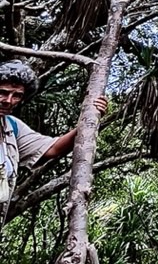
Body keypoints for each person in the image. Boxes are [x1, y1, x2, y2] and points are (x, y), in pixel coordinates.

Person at [0, 59, 109, 218]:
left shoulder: (12, 127)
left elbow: (53, 148)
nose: (8, 100)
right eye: (3, 92)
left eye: (16, 95)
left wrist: (90, 118)